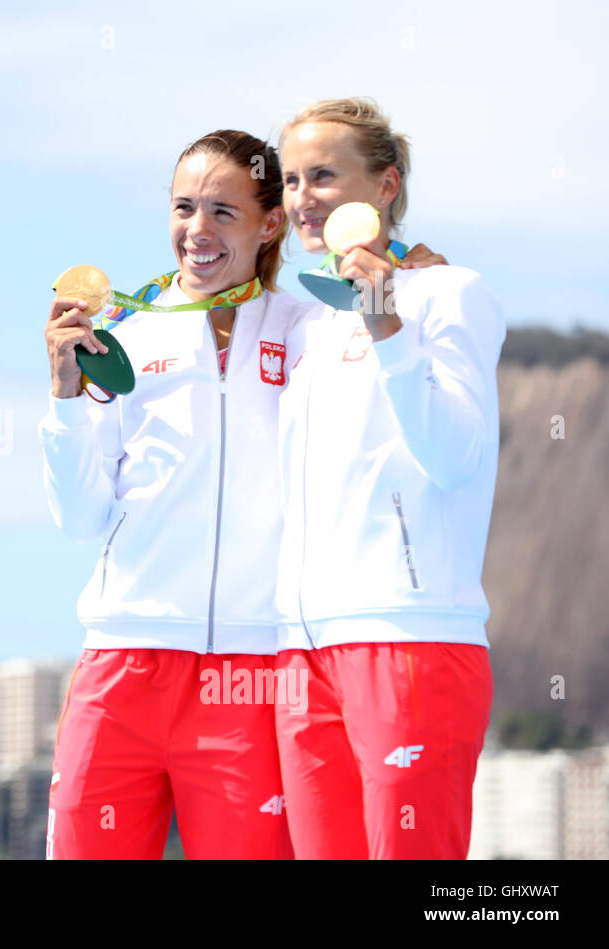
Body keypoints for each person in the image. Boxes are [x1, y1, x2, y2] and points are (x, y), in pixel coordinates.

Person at [41, 130, 317, 860]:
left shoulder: (309, 332)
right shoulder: (122, 336)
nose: (198, 230)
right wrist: (65, 398)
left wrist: (413, 276)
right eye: (184, 207)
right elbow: (78, 518)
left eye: (223, 211)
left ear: (271, 222)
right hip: (124, 662)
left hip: (250, 674)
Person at [273, 97, 504, 858]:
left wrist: (389, 327)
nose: (304, 196)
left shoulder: (449, 292)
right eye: (292, 179)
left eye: (325, 175)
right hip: (304, 654)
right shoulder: (310, 324)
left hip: (408, 640)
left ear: (386, 185)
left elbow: (455, 456)